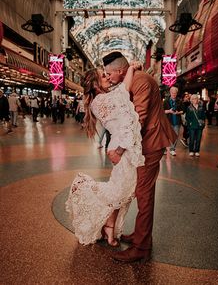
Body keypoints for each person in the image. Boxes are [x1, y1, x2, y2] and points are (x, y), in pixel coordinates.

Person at [102, 51, 177, 263]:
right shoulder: (134, 78)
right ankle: (141, 235)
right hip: (146, 142)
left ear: (119, 70)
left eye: (109, 73)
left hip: (151, 143)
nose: (108, 77)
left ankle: (141, 247)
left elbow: (139, 118)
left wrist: (120, 149)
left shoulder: (140, 81)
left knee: (144, 194)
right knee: (142, 191)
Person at [66, 63, 145, 247]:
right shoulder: (100, 101)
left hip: (122, 148)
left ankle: (109, 226)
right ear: (95, 84)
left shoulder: (102, 99)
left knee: (123, 191)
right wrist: (131, 69)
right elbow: (125, 117)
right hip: (121, 150)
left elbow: (122, 96)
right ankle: (83, 187)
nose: (108, 78)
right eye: (103, 76)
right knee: (119, 191)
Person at [163, 86, 184, 156]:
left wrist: (178, 112)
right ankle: (165, 149)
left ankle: (172, 149)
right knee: (166, 135)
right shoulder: (166, 101)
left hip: (177, 122)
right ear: (170, 93)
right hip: (168, 121)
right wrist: (169, 111)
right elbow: (162, 111)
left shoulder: (179, 101)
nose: (174, 94)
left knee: (175, 136)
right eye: (172, 93)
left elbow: (183, 111)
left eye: (175, 93)